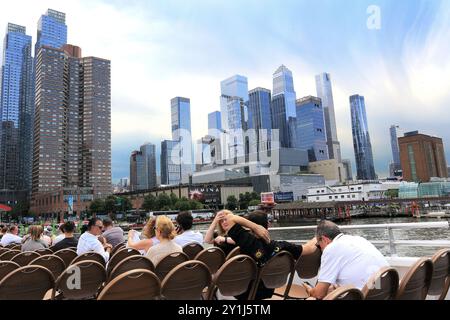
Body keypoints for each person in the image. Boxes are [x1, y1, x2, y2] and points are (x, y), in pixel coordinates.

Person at [220, 210, 318, 300]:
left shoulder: (247, 242)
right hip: (268, 289)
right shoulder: (282, 246)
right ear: (268, 224)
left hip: (243, 291)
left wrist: (254, 226)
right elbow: (309, 248)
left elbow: (229, 218)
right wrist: (320, 235)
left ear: (248, 227)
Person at [305, 220, 390, 300]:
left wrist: (310, 291)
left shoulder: (331, 248)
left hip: (365, 297)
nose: (321, 249)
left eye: (319, 245)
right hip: (386, 294)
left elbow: (319, 294)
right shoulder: (359, 239)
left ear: (324, 239)